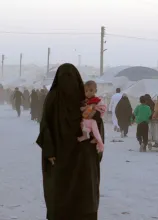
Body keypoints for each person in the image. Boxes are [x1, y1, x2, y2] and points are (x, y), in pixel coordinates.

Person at [36, 63, 103, 220]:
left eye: (70, 78)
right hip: (59, 156)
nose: (68, 82)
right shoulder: (53, 98)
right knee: (61, 196)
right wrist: (50, 151)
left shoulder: (84, 99)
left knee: (84, 197)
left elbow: (96, 123)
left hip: (83, 157)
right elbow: (46, 126)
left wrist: (95, 128)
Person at [78, 80, 106, 153]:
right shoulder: (84, 100)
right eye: (86, 91)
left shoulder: (96, 100)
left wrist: (93, 109)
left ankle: (96, 138)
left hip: (93, 119)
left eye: (91, 90)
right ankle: (87, 136)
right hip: (86, 119)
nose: (88, 93)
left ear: (95, 91)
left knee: (95, 129)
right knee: (84, 126)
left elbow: (99, 108)